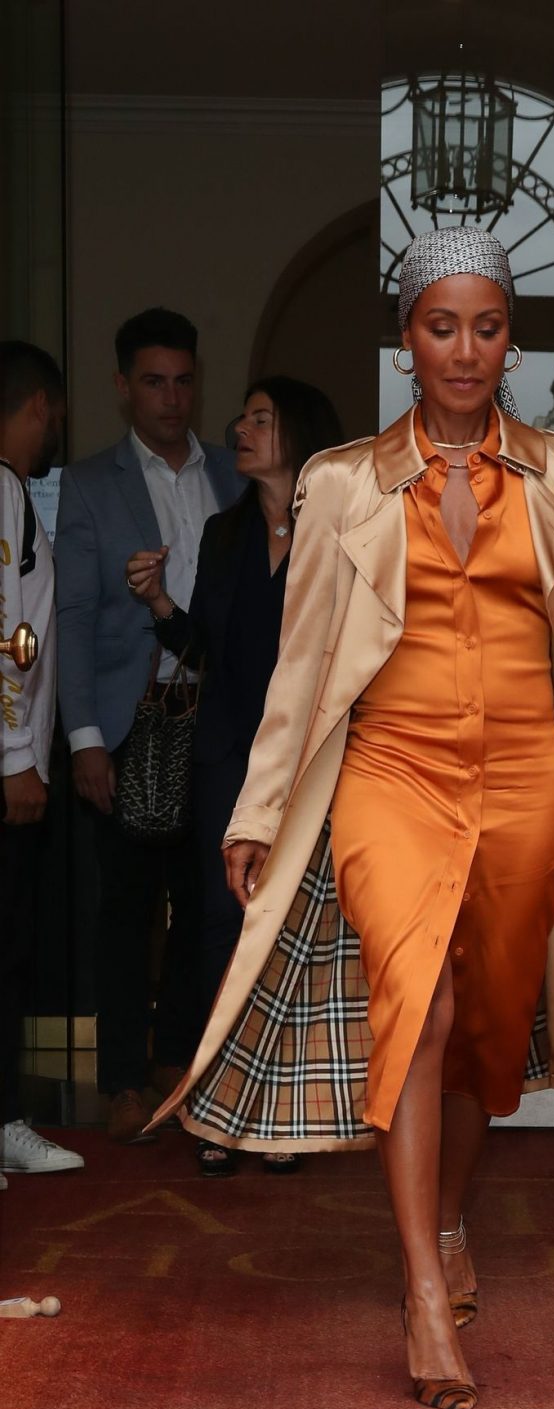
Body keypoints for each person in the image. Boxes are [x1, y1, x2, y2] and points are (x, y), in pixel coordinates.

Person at [150, 230, 554, 1409]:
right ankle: (421, 1284)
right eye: (440, 327)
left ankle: (450, 1215)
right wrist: (262, 806)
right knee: (418, 1004)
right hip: (390, 769)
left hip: (523, 776)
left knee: (487, 1032)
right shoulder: (343, 483)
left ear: (509, 340)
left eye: (486, 328)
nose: (464, 350)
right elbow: (304, 662)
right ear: (406, 339)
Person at [124, 375, 343, 1175]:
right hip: (225, 760)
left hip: (308, 763)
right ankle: (219, 1107)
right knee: (222, 924)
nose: (240, 430)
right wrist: (158, 605)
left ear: (298, 433)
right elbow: (206, 650)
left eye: (260, 419)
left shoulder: (339, 532)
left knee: (294, 930)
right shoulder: (224, 534)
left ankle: (278, 1109)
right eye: (243, 418)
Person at [54, 308, 244, 1144]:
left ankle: (178, 1064)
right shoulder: (91, 484)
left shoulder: (234, 476)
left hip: (218, 721)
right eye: (155, 382)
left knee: (209, 903)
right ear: (124, 386)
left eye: (184, 381)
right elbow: (70, 617)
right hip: (127, 722)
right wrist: (84, 740)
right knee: (126, 912)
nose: (172, 398)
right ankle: (124, 1079)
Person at [0, 341, 83, 1180]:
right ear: (35, 407)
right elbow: (7, 633)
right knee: (5, 949)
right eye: (53, 415)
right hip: (7, 765)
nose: (55, 428)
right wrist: (17, 757)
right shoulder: (3, 490)